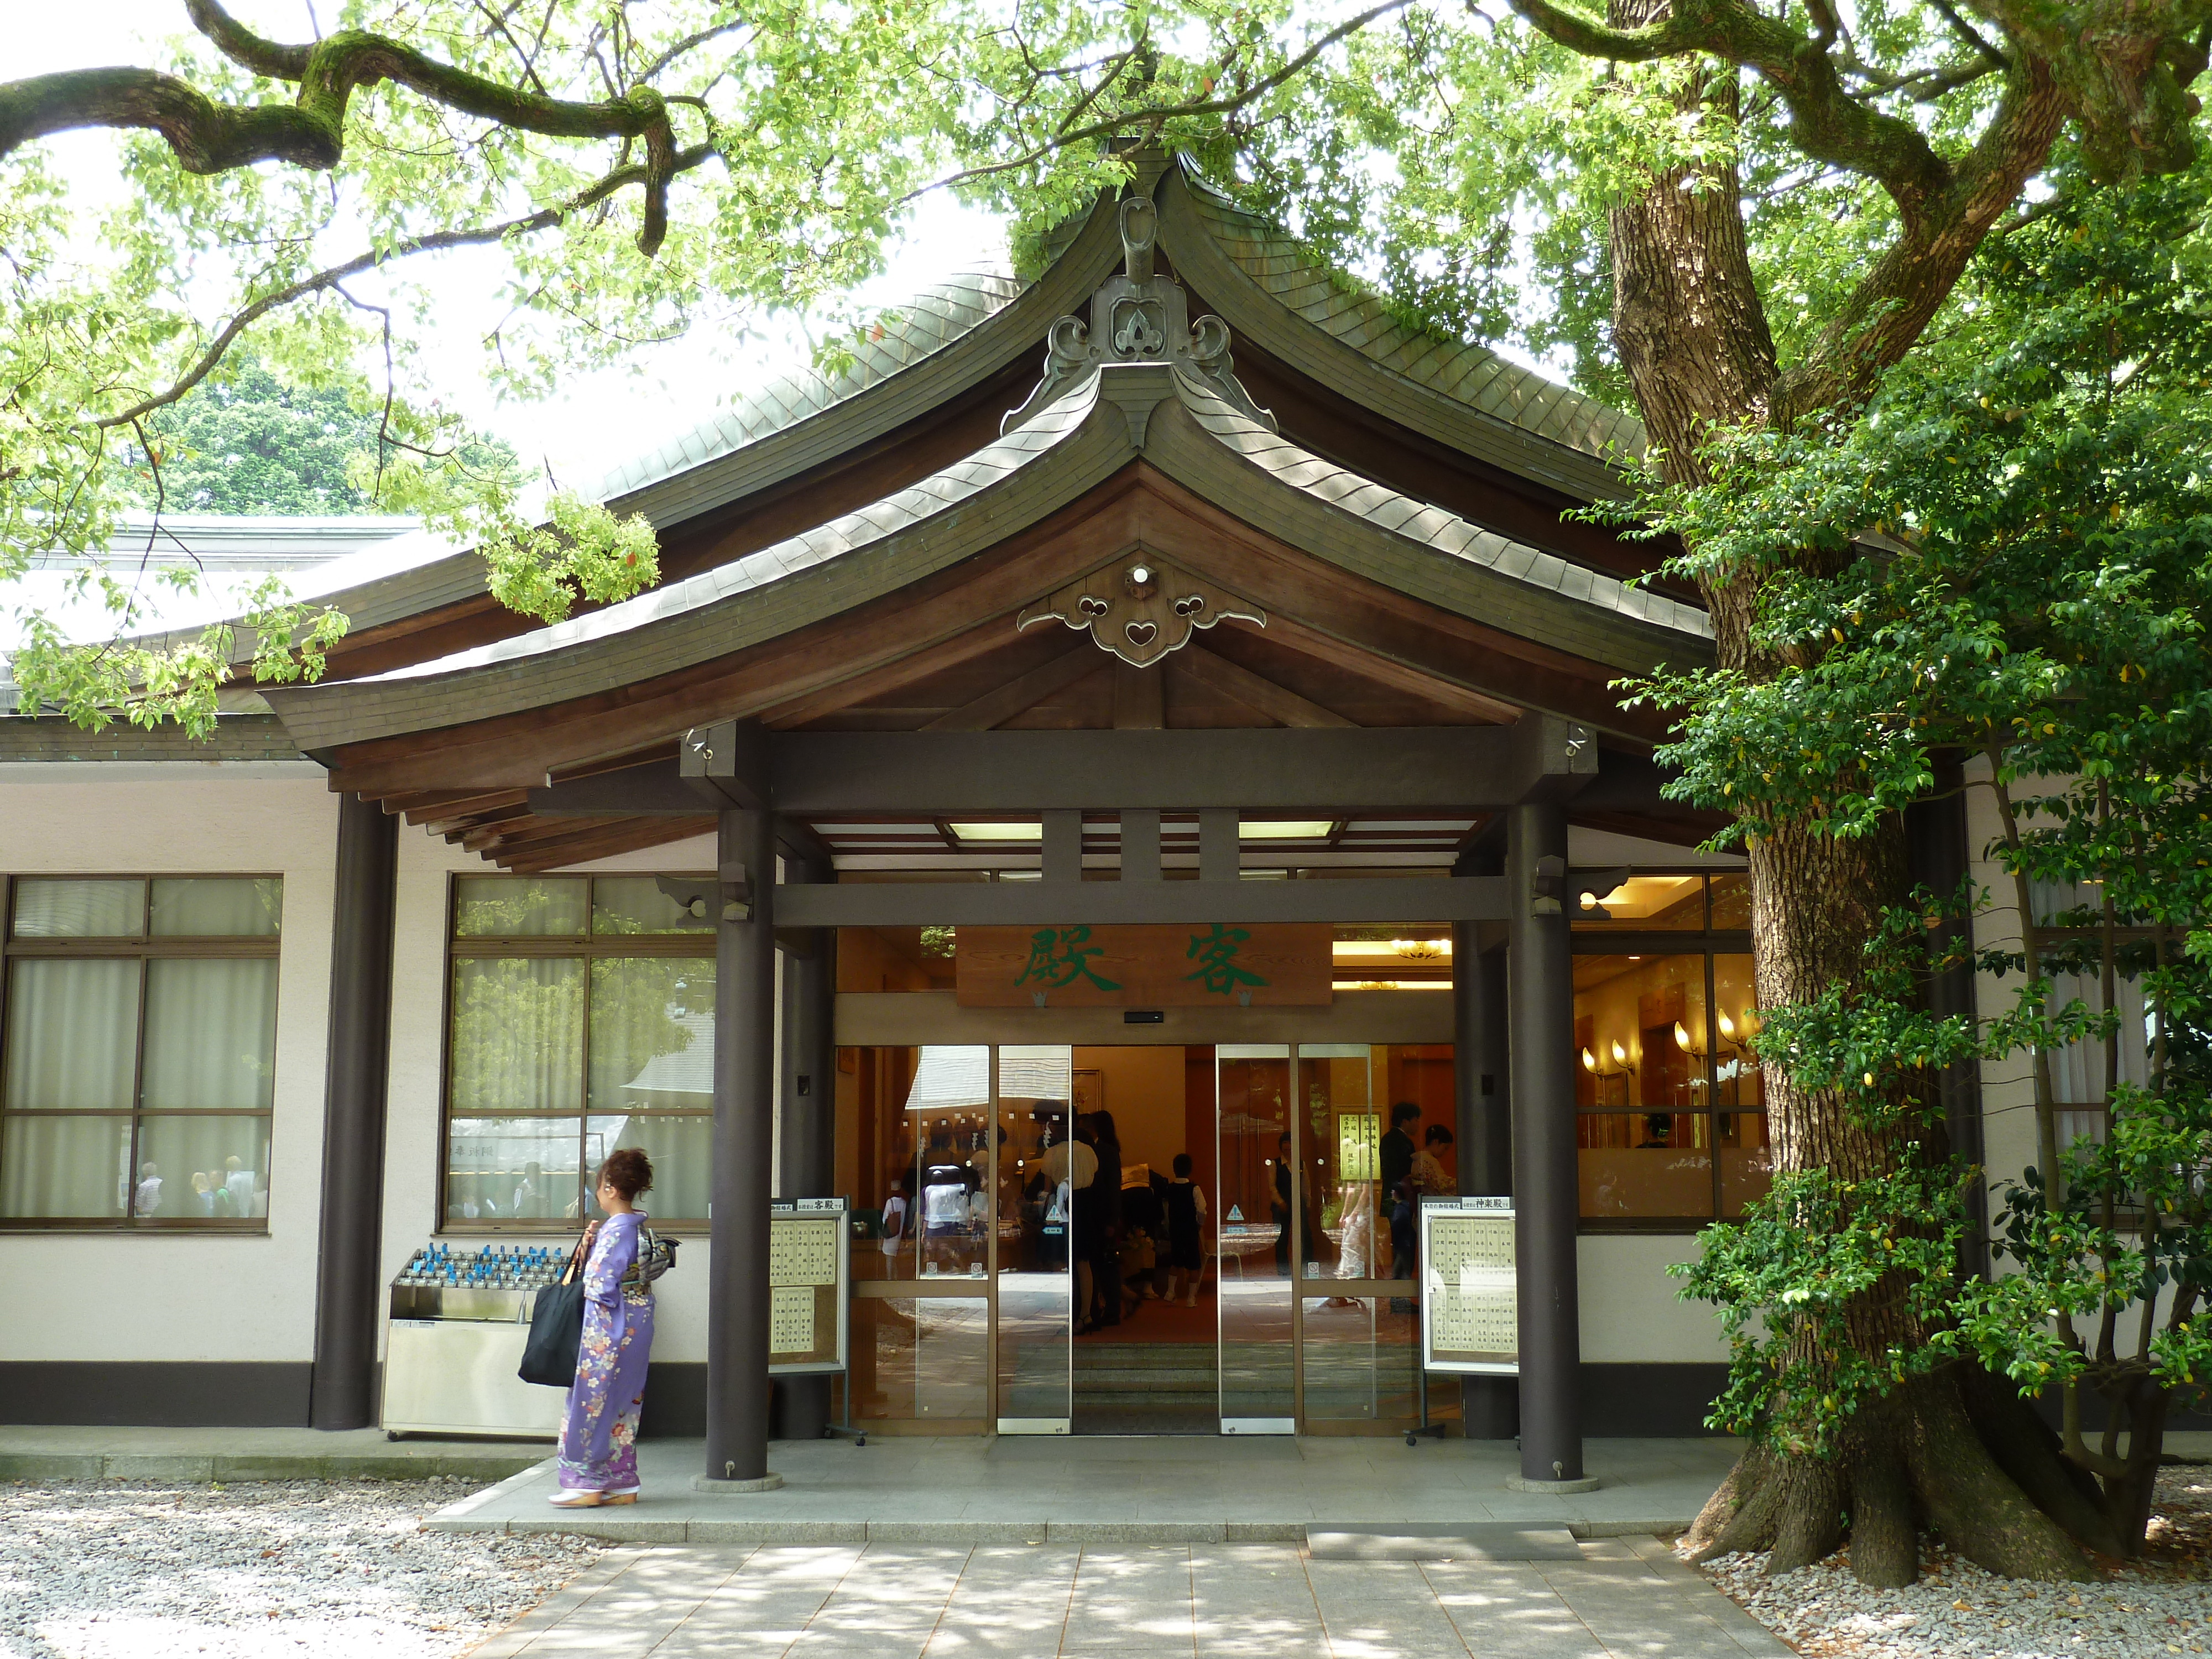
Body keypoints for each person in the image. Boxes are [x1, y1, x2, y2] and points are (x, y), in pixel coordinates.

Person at [551, 1149, 657, 1509]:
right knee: (623, 1404)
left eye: (599, 1186)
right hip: (637, 1324)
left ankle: (586, 1482)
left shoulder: (617, 1231)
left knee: (590, 1401)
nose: (597, 1194)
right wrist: (590, 1247)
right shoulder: (637, 1227)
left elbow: (598, 1286)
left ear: (610, 1188)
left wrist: (592, 1256)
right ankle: (621, 1482)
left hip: (610, 1326)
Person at [1164, 1152, 1209, 1306]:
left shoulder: (1169, 1189)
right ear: (1190, 1169)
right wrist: (1199, 1224)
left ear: (1174, 1169)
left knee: (1176, 1262)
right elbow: (1202, 1210)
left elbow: (1166, 1210)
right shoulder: (1194, 1189)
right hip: (1190, 1230)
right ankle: (1191, 1298)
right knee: (1194, 1265)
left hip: (1175, 1230)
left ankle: (1170, 1292)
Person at [1379, 1102, 1420, 1273]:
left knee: (1400, 1244)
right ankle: (1400, 1292)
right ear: (1405, 1121)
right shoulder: (1404, 1143)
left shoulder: (1387, 1139)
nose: (1417, 1124)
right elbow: (1404, 1173)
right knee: (1405, 1245)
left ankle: (1399, 1293)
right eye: (1415, 1120)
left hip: (1391, 1198)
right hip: (1402, 1199)